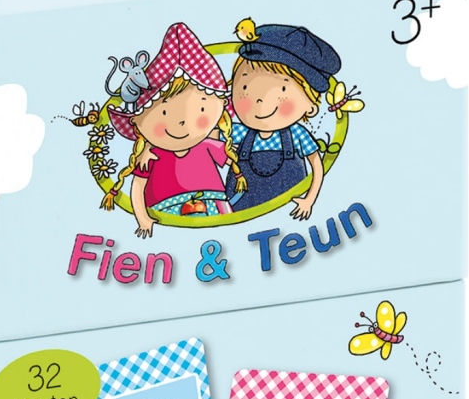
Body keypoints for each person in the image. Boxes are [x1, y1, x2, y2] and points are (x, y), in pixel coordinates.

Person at [102, 23, 246, 236]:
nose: (181, 124)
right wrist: (143, 218)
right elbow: (138, 186)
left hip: (214, 206)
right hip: (165, 213)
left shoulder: (208, 144)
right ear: (138, 122)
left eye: (201, 109)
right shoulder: (151, 155)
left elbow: (232, 158)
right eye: (164, 113)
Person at [226, 18, 341, 218]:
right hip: (240, 210)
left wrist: (309, 200)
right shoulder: (239, 132)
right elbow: (210, 137)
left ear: (311, 106)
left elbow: (317, 165)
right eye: (244, 87)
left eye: (281, 90)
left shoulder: (297, 134)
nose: (260, 100)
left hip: (286, 214)